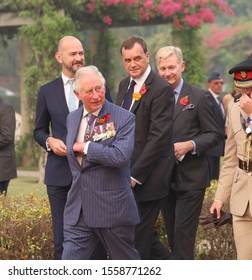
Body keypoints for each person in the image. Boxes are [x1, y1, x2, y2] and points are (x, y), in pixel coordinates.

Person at [33, 35, 111, 259]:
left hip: (94, 174)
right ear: (59, 57)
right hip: (59, 176)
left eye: (81, 53)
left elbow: (110, 124)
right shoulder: (47, 91)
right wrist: (49, 141)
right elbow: (38, 130)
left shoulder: (99, 88)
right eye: (73, 54)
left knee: (96, 241)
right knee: (63, 239)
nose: (79, 58)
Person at [62, 65, 140, 260]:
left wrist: (86, 147)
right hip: (78, 212)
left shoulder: (124, 118)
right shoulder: (72, 118)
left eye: (100, 88)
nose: (96, 95)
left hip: (112, 211)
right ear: (77, 94)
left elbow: (120, 156)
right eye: (89, 91)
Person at [155, 46, 221, 259]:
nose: (167, 73)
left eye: (172, 67)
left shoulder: (199, 97)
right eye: (163, 68)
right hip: (163, 180)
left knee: (183, 240)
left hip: (191, 179)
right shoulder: (153, 98)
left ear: (182, 66)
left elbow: (214, 133)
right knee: (173, 238)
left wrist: (190, 144)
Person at [210, 60, 252, 260]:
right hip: (242, 202)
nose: (247, 95)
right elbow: (232, 158)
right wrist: (219, 198)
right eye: (241, 89)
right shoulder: (234, 107)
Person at [116, 35, 174, 259]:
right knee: (138, 236)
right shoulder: (124, 85)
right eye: (127, 60)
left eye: (137, 58)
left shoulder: (161, 89)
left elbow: (158, 138)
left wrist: (135, 175)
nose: (132, 64)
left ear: (147, 57)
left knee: (138, 238)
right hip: (124, 174)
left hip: (148, 179)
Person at [205, 71, 226, 180]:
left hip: (217, 145)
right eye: (216, 83)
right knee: (209, 176)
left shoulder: (219, 99)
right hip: (209, 146)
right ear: (208, 84)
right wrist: (225, 132)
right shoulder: (206, 98)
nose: (219, 85)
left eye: (221, 83)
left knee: (215, 176)